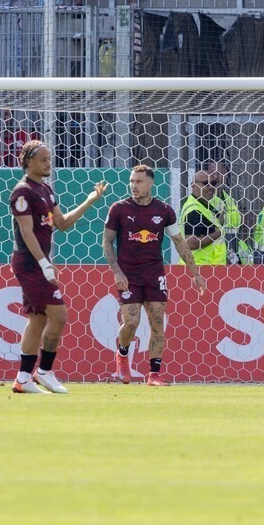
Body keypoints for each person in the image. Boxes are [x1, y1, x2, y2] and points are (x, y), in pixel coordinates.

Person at [9, 140, 107, 394]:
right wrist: (44, 264)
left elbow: (62, 223)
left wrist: (89, 200)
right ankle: (43, 372)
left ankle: (23, 379)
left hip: (38, 263)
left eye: (49, 159)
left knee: (38, 319)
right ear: (28, 162)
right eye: (43, 159)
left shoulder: (46, 189)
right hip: (29, 263)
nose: (48, 163)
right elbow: (26, 232)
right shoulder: (22, 193)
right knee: (59, 316)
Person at [103, 165, 206, 386]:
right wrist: (117, 271)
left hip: (154, 273)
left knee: (158, 323)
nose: (134, 186)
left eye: (139, 181)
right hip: (128, 275)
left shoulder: (164, 211)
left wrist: (195, 273)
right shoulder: (119, 209)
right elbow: (107, 242)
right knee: (131, 322)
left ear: (151, 183)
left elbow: (179, 242)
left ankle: (154, 374)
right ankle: (122, 354)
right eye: (132, 181)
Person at [206, 160, 252, 264]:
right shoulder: (206, 199)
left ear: (226, 175)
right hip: (216, 250)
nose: (216, 177)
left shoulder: (229, 199)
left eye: (220, 173)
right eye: (212, 173)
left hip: (232, 247)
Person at [179, 170, 226, 266]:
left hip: (208, 266)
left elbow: (211, 225)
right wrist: (218, 233)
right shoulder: (193, 210)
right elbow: (191, 243)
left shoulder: (204, 204)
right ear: (193, 186)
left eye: (213, 183)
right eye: (205, 183)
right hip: (198, 266)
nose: (211, 187)